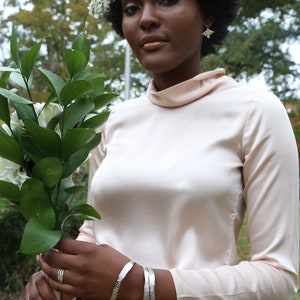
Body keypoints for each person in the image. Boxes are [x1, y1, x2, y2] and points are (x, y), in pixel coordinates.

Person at [26, 0, 299, 299]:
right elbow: (96, 231)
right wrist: (57, 281)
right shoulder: (112, 121)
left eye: (167, 1)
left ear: (207, 13)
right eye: (131, 8)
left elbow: (279, 277)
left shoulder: (254, 112)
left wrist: (141, 286)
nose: (146, 19)